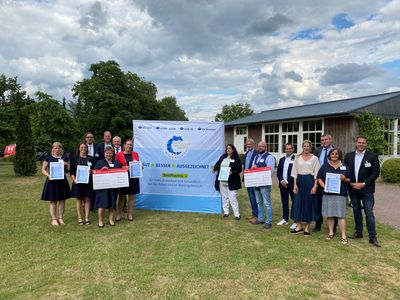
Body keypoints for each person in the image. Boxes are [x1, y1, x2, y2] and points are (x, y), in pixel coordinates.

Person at [344, 135, 381, 247]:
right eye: (359, 142)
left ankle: (372, 237)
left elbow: (375, 173)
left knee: (369, 212)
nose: (361, 144)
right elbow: (346, 170)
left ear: (366, 144)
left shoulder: (372, 156)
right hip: (353, 188)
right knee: (356, 211)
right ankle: (358, 232)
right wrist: (350, 182)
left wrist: (363, 183)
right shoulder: (349, 156)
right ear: (356, 143)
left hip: (367, 189)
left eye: (363, 143)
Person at [317, 148, 351, 244]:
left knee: (341, 215)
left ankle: (343, 235)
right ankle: (331, 232)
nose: (335, 155)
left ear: (339, 155)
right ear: (329, 156)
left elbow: (349, 180)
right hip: (328, 194)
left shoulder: (344, 166)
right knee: (330, 214)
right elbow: (319, 178)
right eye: (333, 154)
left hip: (341, 194)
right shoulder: (325, 166)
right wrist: (325, 187)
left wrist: (344, 179)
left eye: (336, 154)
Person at [291, 140, 320, 236]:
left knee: (309, 204)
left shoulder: (315, 158)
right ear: (302, 147)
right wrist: (295, 185)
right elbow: (294, 171)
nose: (306, 148)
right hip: (299, 181)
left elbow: (317, 173)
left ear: (311, 147)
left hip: (309, 181)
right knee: (298, 203)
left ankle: (307, 227)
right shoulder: (297, 158)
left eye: (308, 146)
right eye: (305, 146)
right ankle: (299, 226)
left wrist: (315, 186)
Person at [40, 142, 71, 226]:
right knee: (53, 201)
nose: (57, 150)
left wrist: (65, 166)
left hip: (62, 181)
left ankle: (60, 218)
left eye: (58, 148)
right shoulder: (48, 158)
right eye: (55, 148)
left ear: (61, 149)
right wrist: (48, 175)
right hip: (52, 181)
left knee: (62, 200)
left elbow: (66, 171)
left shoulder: (63, 158)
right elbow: (43, 169)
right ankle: (54, 219)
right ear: (52, 149)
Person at [313, 134, 338, 232]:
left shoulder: (336, 151)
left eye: (326, 139)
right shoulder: (317, 151)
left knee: (332, 204)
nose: (324, 141)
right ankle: (318, 224)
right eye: (322, 140)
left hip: (332, 181)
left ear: (330, 140)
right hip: (319, 180)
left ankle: (333, 227)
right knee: (318, 204)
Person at [249, 141, 276, 229]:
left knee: (267, 203)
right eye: (258, 146)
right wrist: (253, 168)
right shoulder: (256, 156)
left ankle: (268, 222)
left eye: (262, 146)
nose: (260, 148)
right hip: (256, 183)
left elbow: (270, 171)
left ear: (265, 147)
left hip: (264, 184)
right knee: (259, 202)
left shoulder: (269, 157)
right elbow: (253, 166)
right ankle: (260, 219)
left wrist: (258, 169)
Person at [94, 146, 122, 228]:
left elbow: (121, 173)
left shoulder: (117, 163)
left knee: (112, 205)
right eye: (107, 153)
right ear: (104, 154)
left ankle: (111, 220)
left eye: (110, 153)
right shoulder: (99, 163)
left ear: (113, 154)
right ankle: (100, 221)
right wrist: (101, 170)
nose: (108, 154)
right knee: (101, 205)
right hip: (102, 188)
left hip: (113, 188)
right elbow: (94, 173)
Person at [213, 144, 242, 220]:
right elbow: (217, 164)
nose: (228, 150)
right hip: (222, 181)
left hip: (232, 181)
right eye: (227, 148)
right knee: (224, 197)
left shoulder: (236, 158)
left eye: (229, 148)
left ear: (233, 150)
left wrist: (232, 172)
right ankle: (226, 212)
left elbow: (239, 169)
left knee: (232, 198)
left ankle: (237, 214)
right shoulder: (223, 157)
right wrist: (214, 168)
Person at [70, 143, 95, 225]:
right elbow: (71, 172)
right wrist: (74, 180)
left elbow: (94, 170)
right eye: (82, 147)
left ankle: (87, 217)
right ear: (79, 148)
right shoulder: (74, 158)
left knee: (88, 199)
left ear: (87, 149)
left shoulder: (91, 158)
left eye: (85, 147)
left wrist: (91, 171)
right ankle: (80, 218)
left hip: (88, 183)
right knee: (79, 200)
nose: (83, 148)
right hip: (78, 183)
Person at [115, 139, 140, 221]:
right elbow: (116, 165)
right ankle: (118, 214)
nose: (129, 146)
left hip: (133, 178)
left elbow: (137, 163)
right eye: (128, 144)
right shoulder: (119, 154)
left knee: (132, 197)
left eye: (130, 145)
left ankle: (130, 215)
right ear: (124, 145)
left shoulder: (135, 154)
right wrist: (124, 167)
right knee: (122, 197)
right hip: (123, 177)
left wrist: (140, 167)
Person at [276, 143, 295, 227]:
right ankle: (285, 219)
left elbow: (295, 172)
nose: (288, 150)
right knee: (284, 202)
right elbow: (278, 172)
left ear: (293, 149)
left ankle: (295, 220)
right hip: (282, 184)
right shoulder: (281, 159)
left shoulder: (296, 159)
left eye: (290, 148)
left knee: (294, 202)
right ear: (285, 149)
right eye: (287, 148)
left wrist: (287, 181)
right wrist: (282, 181)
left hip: (292, 184)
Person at [243, 139, 258, 222]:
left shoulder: (256, 153)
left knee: (254, 197)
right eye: (247, 144)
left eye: (250, 144)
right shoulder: (247, 153)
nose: (248, 146)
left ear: (253, 144)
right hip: (247, 177)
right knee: (250, 196)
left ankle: (256, 215)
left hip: (253, 178)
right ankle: (253, 214)